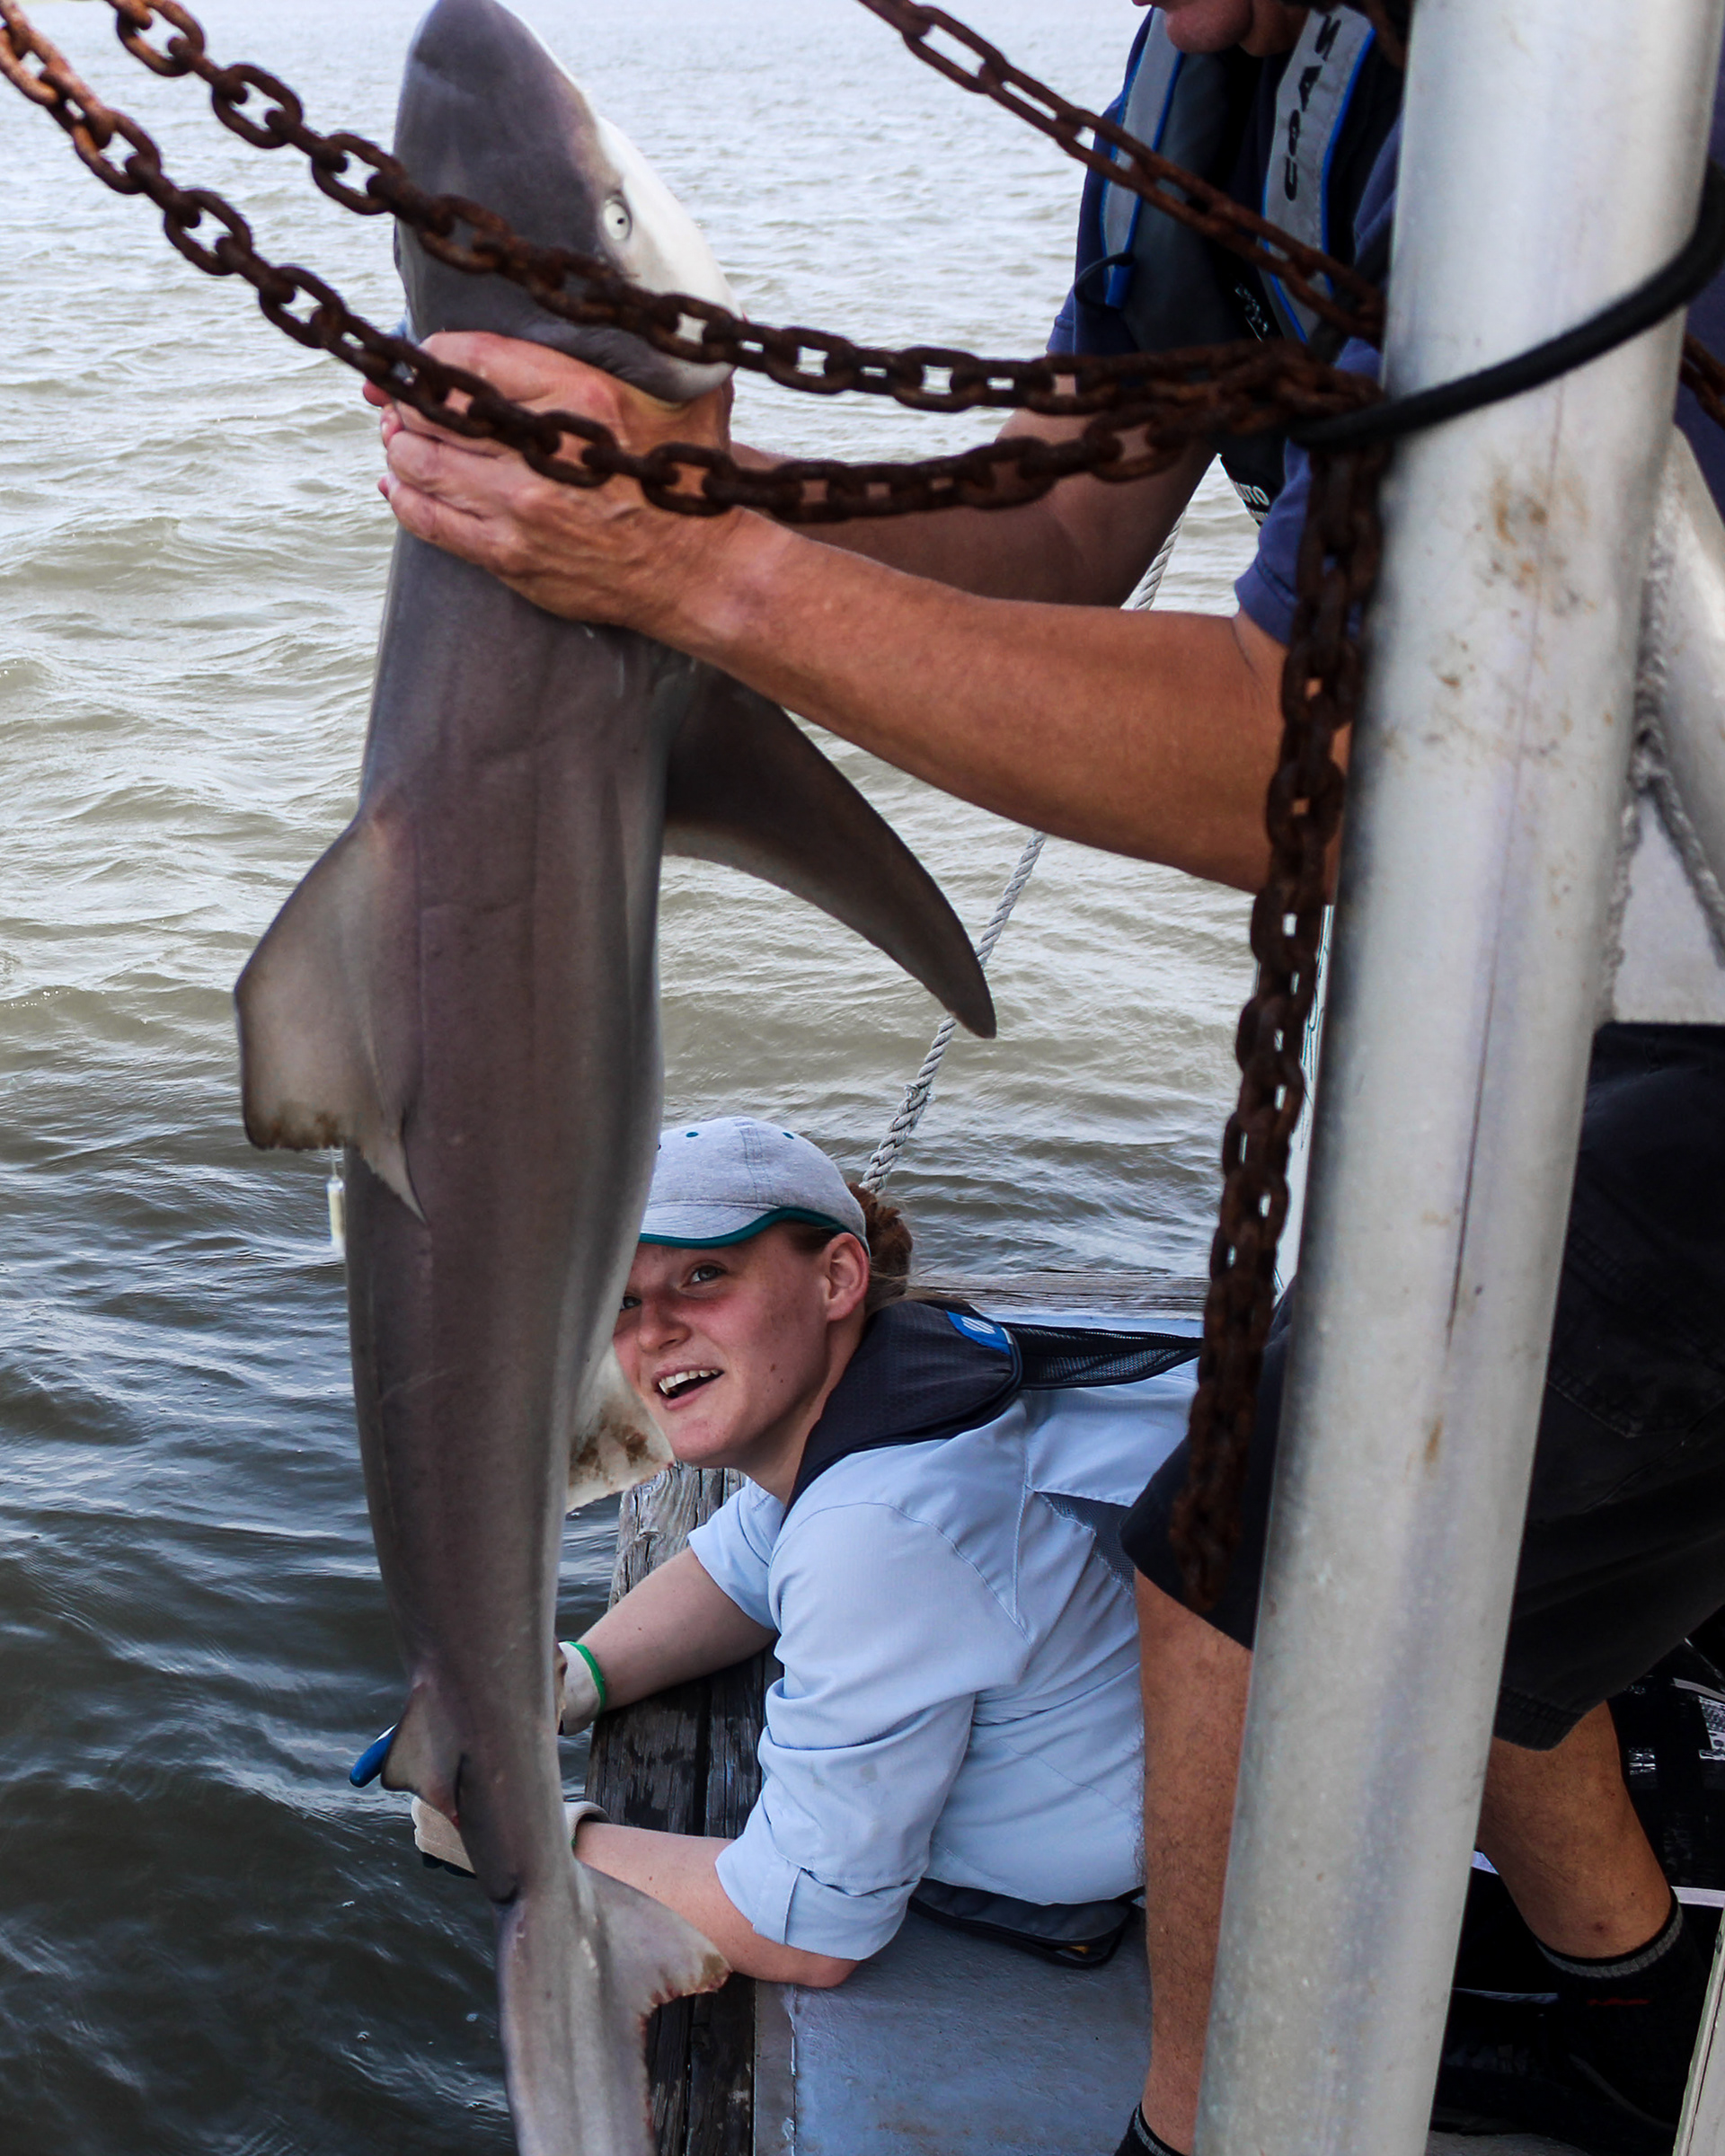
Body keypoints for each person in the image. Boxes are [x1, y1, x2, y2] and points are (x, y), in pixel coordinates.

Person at [364, 0, 1725, 2148]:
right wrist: (692, 495)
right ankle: (1626, 1986)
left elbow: (1349, 766)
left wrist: (698, 563)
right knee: (1506, 1529)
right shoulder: (1219, 74)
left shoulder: (1615, 88)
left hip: (1652, 918)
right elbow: (1071, 524)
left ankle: (1194, 2126)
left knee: (1265, 1541)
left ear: (836, 1274)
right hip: (1620, 956)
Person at [415, 1117, 1198, 1986]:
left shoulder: (879, 1527)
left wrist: (518, 1837)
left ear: (838, 1278)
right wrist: (565, 1683)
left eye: (703, 1276)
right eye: (623, 1302)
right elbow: (739, 1567)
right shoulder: (898, 1377)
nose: (655, 1333)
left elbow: (807, 1927)